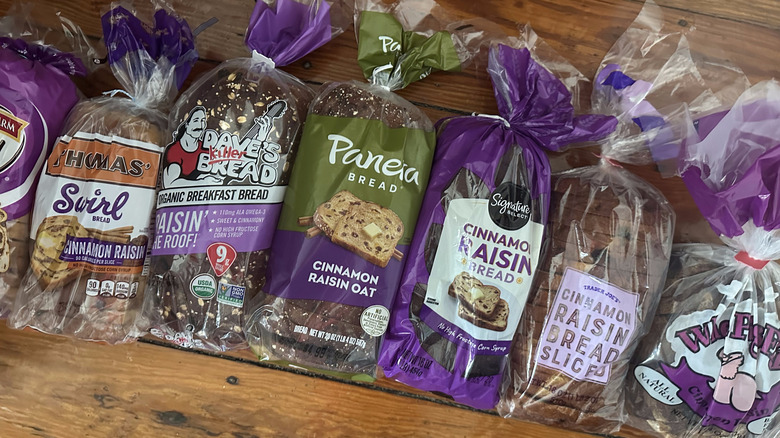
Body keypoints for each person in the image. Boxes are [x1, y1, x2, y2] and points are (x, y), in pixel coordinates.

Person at [162, 106, 222, 188]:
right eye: (196, 120)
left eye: (203, 121)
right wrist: (202, 182)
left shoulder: (205, 148)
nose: (200, 125)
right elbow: (169, 183)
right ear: (187, 124)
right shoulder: (175, 150)